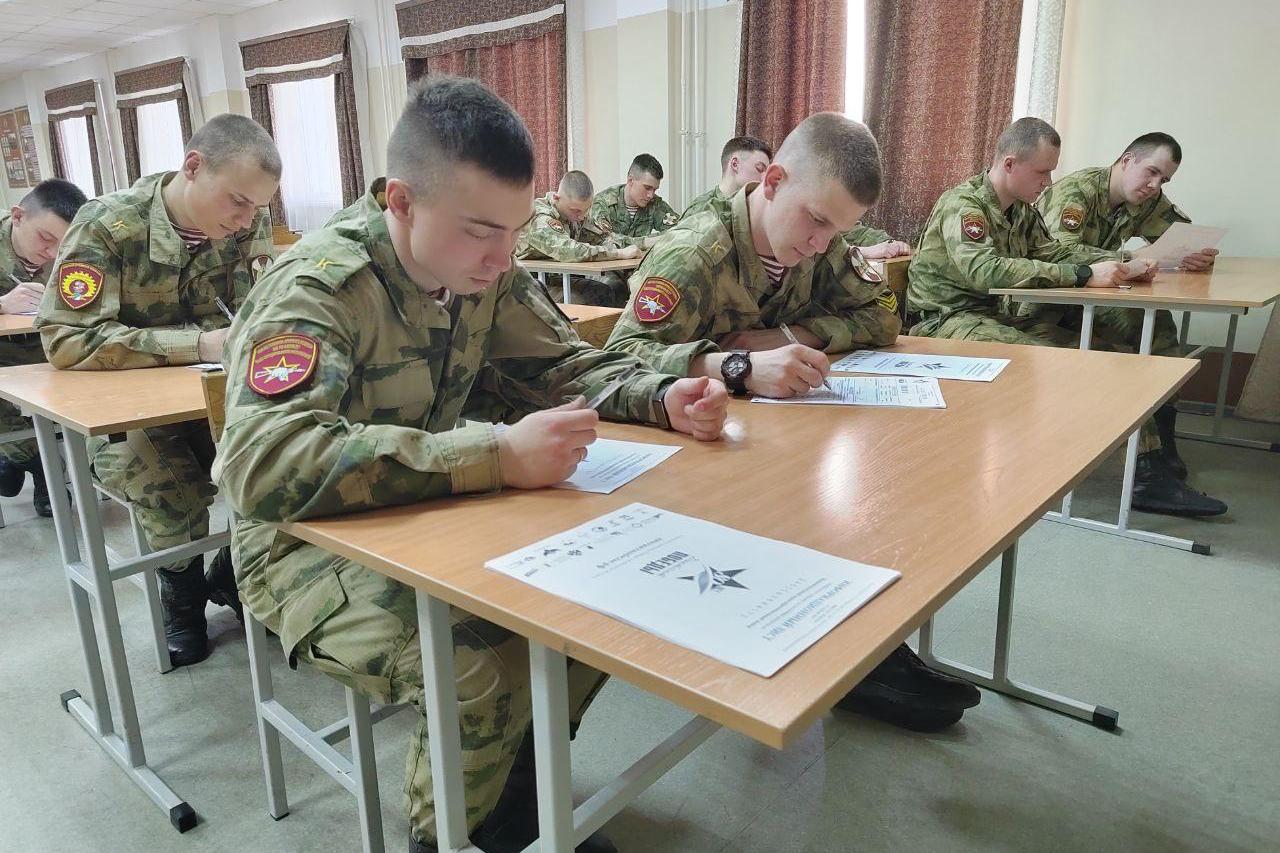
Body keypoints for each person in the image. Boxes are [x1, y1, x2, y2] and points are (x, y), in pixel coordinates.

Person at [215, 75, 729, 853]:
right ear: (400, 202)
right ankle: (449, 835)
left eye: (516, 231)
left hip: (424, 513)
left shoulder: (485, 270)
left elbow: (557, 365)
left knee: (598, 609)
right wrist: (492, 454)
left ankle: (510, 803)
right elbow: (263, 464)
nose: (503, 257)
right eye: (482, 232)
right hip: (301, 545)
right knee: (483, 662)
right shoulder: (320, 288)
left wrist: (660, 397)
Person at [606, 111, 980, 732]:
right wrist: (736, 366)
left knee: (862, 487)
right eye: (817, 222)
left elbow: (884, 314)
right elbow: (618, 358)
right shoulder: (695, 252)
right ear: (773, 181)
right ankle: (830, 652)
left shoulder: (817, 243)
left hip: (769, 443)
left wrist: (789, 336)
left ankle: (852, 645)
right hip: (686, 452)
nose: (822, 243)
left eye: (837, 230)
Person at [35, 113, 281, 665]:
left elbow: (260, 308)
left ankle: (232, 576)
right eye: (238, 202)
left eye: (257, 209)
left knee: (286, 467)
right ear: (193, 167)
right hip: (125, 416)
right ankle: (183, 599)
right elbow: (67, 340)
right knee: (175, 495)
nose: (246, 220)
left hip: (216, 400)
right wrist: (198, 344)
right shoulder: (108, 227)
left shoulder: (246, 226)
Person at [907, 117, 1225, 516]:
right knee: (1063, 364)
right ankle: (1143, 475)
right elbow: (985, 271)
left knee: (1112, 363)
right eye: (1042, 172)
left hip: (995, 315)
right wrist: (1083, 274)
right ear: (1010, 164)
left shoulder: (1021, 212)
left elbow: (1054, 251)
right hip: (945, 320)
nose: (1048, 182)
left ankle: (1149, 471)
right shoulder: (964, 205)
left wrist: (1122, 264)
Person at [1038, 132, 1218, 481]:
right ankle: (1147, 457)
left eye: (1163, 179)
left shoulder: (1146, 198)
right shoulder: (1077, 193)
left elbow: (1181, 237)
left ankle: (1163, 443)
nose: (1155, 185)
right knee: (1131, 341)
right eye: (1151, 172)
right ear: (1126, 160)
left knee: (1158, 327)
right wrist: (1130, 257)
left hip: (1094, 292)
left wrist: (1196, 255)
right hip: (1049, 297)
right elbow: (1059, 253)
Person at [0, 178, 88, 516]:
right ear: (18, 216)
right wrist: (3, 304)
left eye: (61, 245)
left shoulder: (80, 246)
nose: (51, 253)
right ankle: (34, 464)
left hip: (50, 351)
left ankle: (31, 463)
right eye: (46, 239)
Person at [515, 169, 641, 306]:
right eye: (576, 211)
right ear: (557, 198)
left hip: (551, 277)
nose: (581, 217)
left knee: (612, 288)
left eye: (586, 210)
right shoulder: (539, 218)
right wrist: (619, 254)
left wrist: (648, 243)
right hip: (521, 285)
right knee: (591, 297)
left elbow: (606, 237)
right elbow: (570, 251)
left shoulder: (573, 214)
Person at [680, 134, 773, 218]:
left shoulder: (755, 208)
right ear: (735, 164)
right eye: (760, 169)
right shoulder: (702, 210)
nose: (764, 177)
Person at [589, 153, 680, 238]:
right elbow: (605, 240)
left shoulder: (654, 204)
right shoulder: (603, 203)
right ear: (630, 181)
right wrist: (646, 242)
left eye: (654, 190)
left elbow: (680, 231)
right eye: (647, 188)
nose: (651, 195)